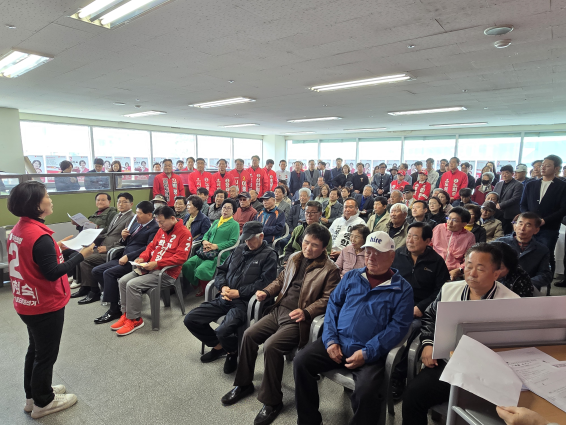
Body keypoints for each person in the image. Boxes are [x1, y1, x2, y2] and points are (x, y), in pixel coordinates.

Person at [221, 224, 340, 425]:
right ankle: (243, 384)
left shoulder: (330, 270)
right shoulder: (294, 258)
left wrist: (307, 311)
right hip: (279, 309)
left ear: (323, 248)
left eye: (314, 245)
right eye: (306, 242)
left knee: (271, 346)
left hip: (299, 318)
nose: (308, 248)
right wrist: (266, 291)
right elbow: (280, 280)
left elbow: (329, 299)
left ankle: (272, 401)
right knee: (249, 335)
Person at [294, 231, 413, 425]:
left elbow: (398, 328)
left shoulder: (402, 289)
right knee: (301, 361)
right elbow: (333, 306)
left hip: (370, 352)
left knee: (367, 391)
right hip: (338, 342)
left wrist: (367, 353)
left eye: (378, 253)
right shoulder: (352, 277)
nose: (371, 257)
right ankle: (309, 421)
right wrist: (330, 340)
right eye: (368, 252)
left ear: (391, 256)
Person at [401, 244, 520, 425]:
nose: (472, 274)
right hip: (449, 364)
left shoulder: (511, 302)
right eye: (469, 267)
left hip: (489, 372)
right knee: (413, 395)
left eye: (480, 269)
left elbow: (514, 345)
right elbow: (431, 316)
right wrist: (428, 343)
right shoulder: (450, 289)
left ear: (496, 274)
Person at [7, 181, 95, 418]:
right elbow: (53, 272)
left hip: (26, 301)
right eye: (46, 196)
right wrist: (81, 254)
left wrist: (57, 247)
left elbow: (33, 258)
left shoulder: (20, 229)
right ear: (36, 204)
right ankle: (43, 402)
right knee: (45, 355)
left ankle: (33, 395)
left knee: (35, 350)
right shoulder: (39, 236)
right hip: (44, 304)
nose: (50, 199)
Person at [184, 221, 278, 373]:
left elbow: (265, 283)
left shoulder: (269, 255)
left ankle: (232, 352)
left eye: (250, 239)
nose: (247, 242)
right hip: (225, 297)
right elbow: (221, 271)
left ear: (261, 236)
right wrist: (223, 287)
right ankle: (220, 346)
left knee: (223, 330)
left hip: (244, 303)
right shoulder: (239, 249)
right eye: (245, 239)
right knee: (191, 319)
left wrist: (239, 293)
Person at [111, 206, 192, 336]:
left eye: (162, 222)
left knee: (132, 285)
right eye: (157, 222)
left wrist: (157, 264)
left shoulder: (185, 233)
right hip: (149, 268)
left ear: (172, 218)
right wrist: (142, 257)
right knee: (123, 281)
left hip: (166, 273)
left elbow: (181, 258)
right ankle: (126, 314)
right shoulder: (161, 230)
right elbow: (150, 247)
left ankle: (135, 320)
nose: (159, 225)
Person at [91, 200, 159, 324]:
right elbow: (128, 243)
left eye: (139, 213)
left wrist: (129, 256)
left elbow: (148, 248)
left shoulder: (155, 228)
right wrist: (123, 237)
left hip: (136, 261)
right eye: (136, 213)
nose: (136, 216)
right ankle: (116, 297)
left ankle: (114, 309)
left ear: (149, 214)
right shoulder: (136, 224)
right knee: (97, 271)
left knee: (109, 273)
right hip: (123, 256)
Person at [71, 193, 135, 303]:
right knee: (81, 254)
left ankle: (94, 291)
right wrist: (90, 238)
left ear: (131, 204)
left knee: (85, 259)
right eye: (119, 201)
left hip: (114, 251)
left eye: (124, 202)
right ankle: (85, 288)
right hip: (103, 245)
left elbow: (126, 240)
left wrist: (108, 248)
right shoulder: (117, 215)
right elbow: (107, 234)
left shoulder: (131, 218)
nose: (120, 204)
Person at [182, 199, 240, 297]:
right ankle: (198, 284)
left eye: (229, 208)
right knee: (187, 265)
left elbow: (233, 241)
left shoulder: (234, 225)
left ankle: (206, 290)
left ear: (233, 211)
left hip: (218, 254)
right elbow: (206, 234)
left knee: (202, 270)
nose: (225, 210)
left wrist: (216, 246)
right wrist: (204, 241)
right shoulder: (216, 222)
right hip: (206, 251)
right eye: (224, 208)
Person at [520, 155, 566, 276]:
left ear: (556, 168)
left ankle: (546, 281)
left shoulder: (562, 186)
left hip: (549, 228)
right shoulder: (531, 184)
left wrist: (545, 220)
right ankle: (527, 279)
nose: (543, 168)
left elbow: (563, 209)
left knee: (547, 254)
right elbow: (523, 204)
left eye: (547, 165)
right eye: (542, 165)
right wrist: (527, 218)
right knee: (528, 253)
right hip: (530, 226)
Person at [392, 222, 449, 318]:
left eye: (415, 238)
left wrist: (421, 307)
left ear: (427, 241)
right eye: (408, 236)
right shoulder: (397, 254)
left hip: (420, 309)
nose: (410, 241)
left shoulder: (436, 261)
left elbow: (442, 290)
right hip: (395, 303)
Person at [494, 212, 552, 292]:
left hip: (527, 289)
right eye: (520, 224)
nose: (522, 228)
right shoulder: (498, 244)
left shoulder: (542, 250)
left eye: (528, 225)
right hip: (499, 287)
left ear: (536, 230)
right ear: (515, 226)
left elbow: (545, 274)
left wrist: (524, 283)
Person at [431, 207, 476, 281]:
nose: (450, 222)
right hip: (432, 267)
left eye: (454, 220)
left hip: (453, 271)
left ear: (464, 224)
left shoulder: (469, 237)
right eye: (448, 218)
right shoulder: (439, 228)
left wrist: (459, 269)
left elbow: (469, 258)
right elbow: (427, 246)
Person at [494, 164, 524, 234]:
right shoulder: (498, 184)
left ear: (512, 174)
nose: (504, 175)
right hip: (497, 213)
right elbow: (494, 195)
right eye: (502, 173)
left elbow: (516, 198)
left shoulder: (518, 184)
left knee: (506, 233)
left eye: (507, 173)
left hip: (509, 214)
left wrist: (501, 205)